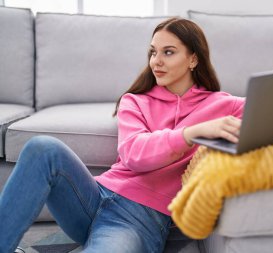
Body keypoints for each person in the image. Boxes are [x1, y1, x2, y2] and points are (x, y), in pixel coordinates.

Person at [0, 17, 244, 253]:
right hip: (94, 197)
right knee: (42, 148)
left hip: (137, 218)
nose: (156, 61)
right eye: (153, 52)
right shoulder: (135, 101)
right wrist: (190, 133)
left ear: (193, 59)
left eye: (168, 52)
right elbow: (134, 154)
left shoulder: (224, 106)